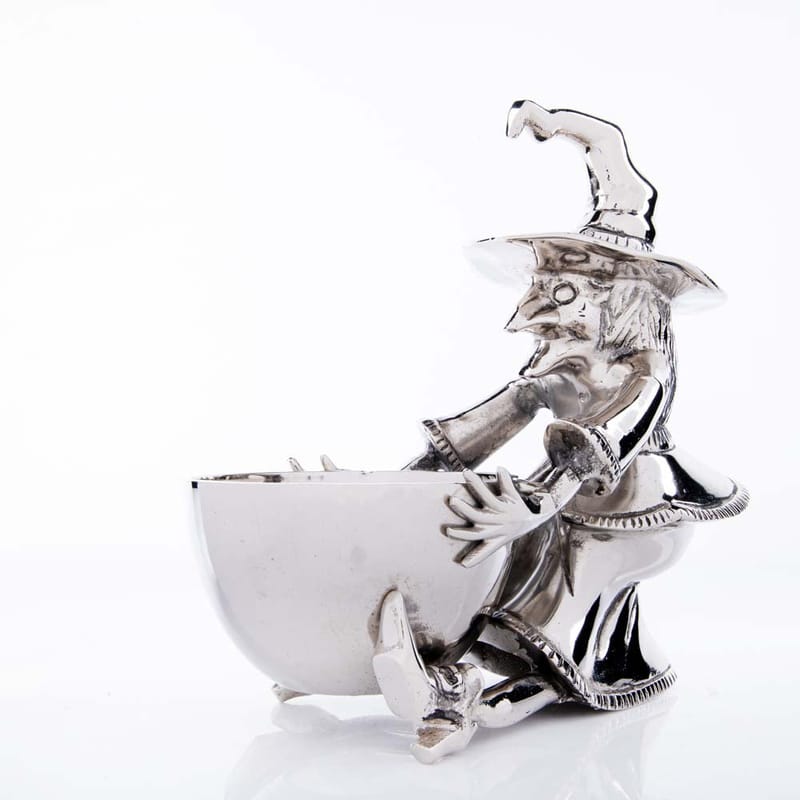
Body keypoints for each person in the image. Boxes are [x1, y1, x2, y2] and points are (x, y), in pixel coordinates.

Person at [372, 100, 749, 764]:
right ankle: (433, 666)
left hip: (634, 510)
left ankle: (470, 707)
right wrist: (394, 485)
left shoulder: (644, 369)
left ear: (622, 293)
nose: (549, 292)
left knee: (555, 616)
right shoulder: (561, 358)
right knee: (497, 577)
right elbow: (497, 416)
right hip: (564, 498)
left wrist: (540, 503)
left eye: (574, 278)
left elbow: (612, 437)